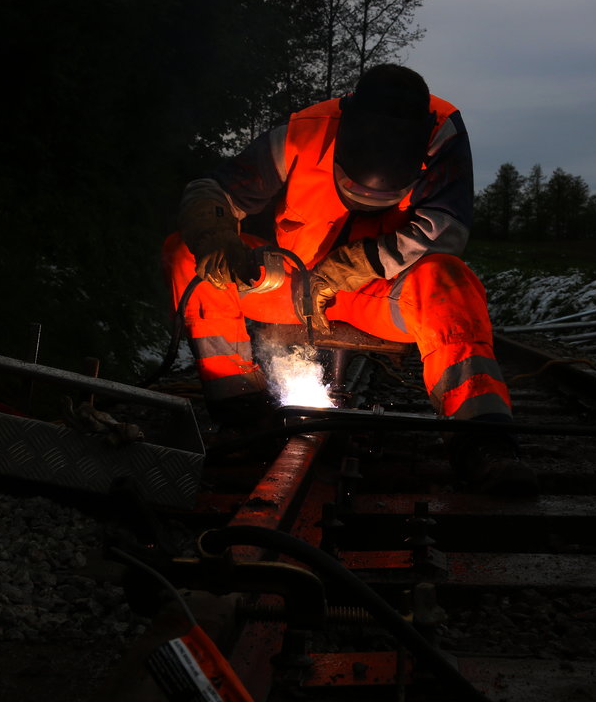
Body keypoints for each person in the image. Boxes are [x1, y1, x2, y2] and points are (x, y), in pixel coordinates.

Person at [161, 64, 536, 494]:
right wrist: (215, 235)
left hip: (376, 291)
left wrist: (358, 265)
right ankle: (242, 414)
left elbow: (445, 227)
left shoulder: (442, 133)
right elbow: (211, 189)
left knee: (448, 279)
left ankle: (483, 440)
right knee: (184, 254)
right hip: (293, 285)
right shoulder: (302, 133)